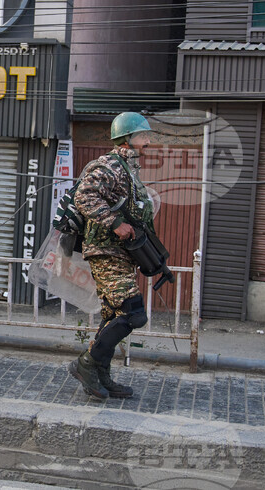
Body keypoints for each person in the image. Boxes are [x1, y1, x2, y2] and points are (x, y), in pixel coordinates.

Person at [68, 111, 156, 399]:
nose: (148, 142)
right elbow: (84, 195)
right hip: (105, 251)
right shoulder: (109, 165)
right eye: (144, 136)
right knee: (133, 313)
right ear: (127, 138)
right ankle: (86, 364)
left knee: (114, 315)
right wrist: (116, 223)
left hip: (120, 254)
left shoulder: (129, 169)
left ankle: (101, 374)